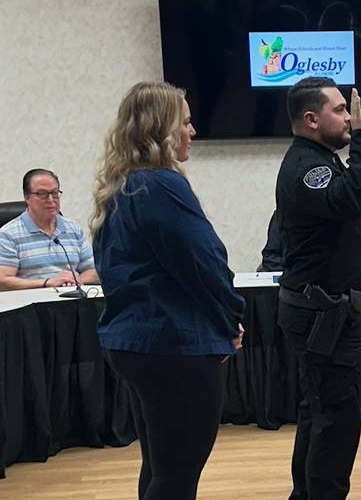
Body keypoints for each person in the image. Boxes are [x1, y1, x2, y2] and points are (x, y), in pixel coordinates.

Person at [90, 81, 245, 500]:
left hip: (135, 342)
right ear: (162, 129)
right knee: (177, 476)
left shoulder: (121, 187)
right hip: (176, 344)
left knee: (160, 468)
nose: (192, 132)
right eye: (187, 122)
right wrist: (231, 316)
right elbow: (204, 263)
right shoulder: (161, 186)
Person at [275, 76, 361, 500]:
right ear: (311, 119)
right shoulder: (308, 166)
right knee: (336, 419)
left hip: (327, 312)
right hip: (323, 315)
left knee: (320, 411)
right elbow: (351, 200)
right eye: (339, 110)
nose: (349, 117)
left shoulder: (317, 159)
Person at [0, 169, 99, 291]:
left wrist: (74, 280)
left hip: (71, 302)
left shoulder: (73, 229)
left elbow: (94, 270)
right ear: (27, 197)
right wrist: (47, 282)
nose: (51, 200)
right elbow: (2, 281)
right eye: (42, 194)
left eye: (55, 193)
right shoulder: (8, 234)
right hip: (31, 305)